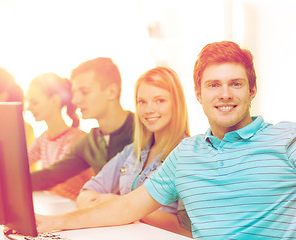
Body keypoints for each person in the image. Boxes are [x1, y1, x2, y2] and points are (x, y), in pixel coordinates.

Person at [35, 41, 296, 240]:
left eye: (236, 83)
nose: (224, 94)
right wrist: (52, 223)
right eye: (213, 85)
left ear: (252, 90)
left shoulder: (290, 138)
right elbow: (125, 207)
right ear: (198, 94)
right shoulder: (186, 154)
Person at [76, 66, 191, 237]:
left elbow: (187, 230)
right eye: (142, 102)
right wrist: (116, 207)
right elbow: (85, 195)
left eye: (160, 100)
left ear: (177, 104)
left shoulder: (189, 155)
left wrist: (123, 207)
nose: (149, 109)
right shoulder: (132, 152)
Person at [31, 57, 134, 191]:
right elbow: (51, 175)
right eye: (74, 93)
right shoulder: (90, 143)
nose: (75, 100)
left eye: (84, 92)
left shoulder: (145, 131)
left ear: (112, 92)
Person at [26, 73, 93, 200]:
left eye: (34, 102)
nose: (28, 107)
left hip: (75, 208)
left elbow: (55, 178)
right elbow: (22, 163)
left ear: (55, 101)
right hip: (53, 205)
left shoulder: (76, 139)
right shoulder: (43, 139)